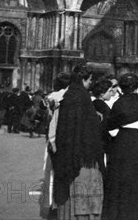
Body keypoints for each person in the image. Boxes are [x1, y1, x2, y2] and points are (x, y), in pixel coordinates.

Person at [103, 73, 138, 220]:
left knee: (120, 181)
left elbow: (112, 130)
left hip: (122, 144)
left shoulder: (119, 104)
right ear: (137, 86)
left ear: (121, 87)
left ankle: (119, 214)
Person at [52, 65, 105, 220]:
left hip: (68, 150)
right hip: (83, 155)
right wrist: (96, 119)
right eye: (89, 81)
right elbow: (88, 126)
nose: (90, 85)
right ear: (83, 79)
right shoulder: (81, 96)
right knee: (82, 190)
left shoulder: (70, 94)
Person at [40, 72, 71, 220]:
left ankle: (51, 204)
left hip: (52, 136)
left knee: (51, 174)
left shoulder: (51, 97)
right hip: (61, 138)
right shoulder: (65, 97)